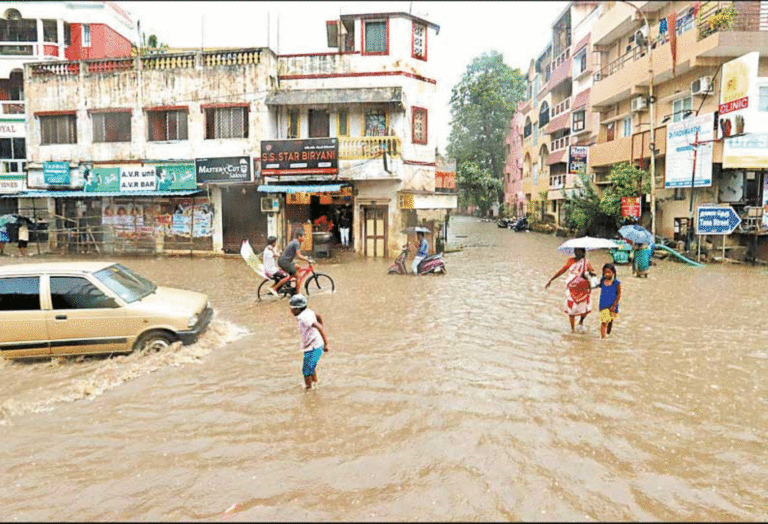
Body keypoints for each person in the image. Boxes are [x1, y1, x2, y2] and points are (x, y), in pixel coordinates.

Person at [544, 247, 597, 332]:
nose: (577, 253)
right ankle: (573, 329)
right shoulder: (570, 261)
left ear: (583, 252)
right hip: (571, 287)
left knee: (585, 308)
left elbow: (593, 275)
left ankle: (581, 321)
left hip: (583, 288)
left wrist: (589, 274)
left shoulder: (587, 263)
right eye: (575, 251)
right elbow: (562, 270)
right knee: (571, 308)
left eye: (579, 251)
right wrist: (551, 279)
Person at [289, 294, 329, 389]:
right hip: (313, 345)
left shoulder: (304, 317)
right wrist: (322, 325)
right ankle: (315, 383)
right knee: (311, 366)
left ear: (298, 309)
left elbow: (319, 326)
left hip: (314, 346)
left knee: (306, 370)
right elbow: (318, 316)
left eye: (292, 309)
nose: (291, 311)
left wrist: (326, 344)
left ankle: (308, 389)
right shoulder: (308, 312)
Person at [276, 227, 311, 295]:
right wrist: (307, 259)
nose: (304, 238)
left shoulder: (295, 241)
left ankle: (291, 282)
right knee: (298, 276)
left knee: (298, 267)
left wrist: (305, 257)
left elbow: (299, 254)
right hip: (285, 262)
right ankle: (298, 293)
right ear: (299, 236)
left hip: (284, 261)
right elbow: (299, 256)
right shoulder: (297, 243)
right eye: (303, 236)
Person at [598, 263, 621, 339]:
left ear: (613, 273)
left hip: (612, 305)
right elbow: (599, 286)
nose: (607, 274)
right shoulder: (603, 281)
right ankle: (603, 339)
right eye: (605, 272)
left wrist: (614, 305)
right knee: (604, 322)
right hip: (603, 305)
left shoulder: (616, 283)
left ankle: (608, 334)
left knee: (610, 321)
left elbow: (618, 294)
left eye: (609, 272)